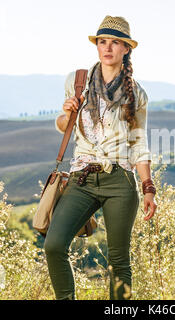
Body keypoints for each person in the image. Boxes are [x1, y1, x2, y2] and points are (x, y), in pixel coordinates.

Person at [44, 15, 157, 300]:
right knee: (54, 246)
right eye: (102, 42)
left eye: (115, 42)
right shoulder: (78, 81)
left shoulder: (137, 94)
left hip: (119, 179)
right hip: (82, 177)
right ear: (97, 46)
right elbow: (63, 126)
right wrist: (68, 112)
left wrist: (148, 187)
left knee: (118, 260)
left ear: (126, 49)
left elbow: (139, 143)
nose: (107, 48)